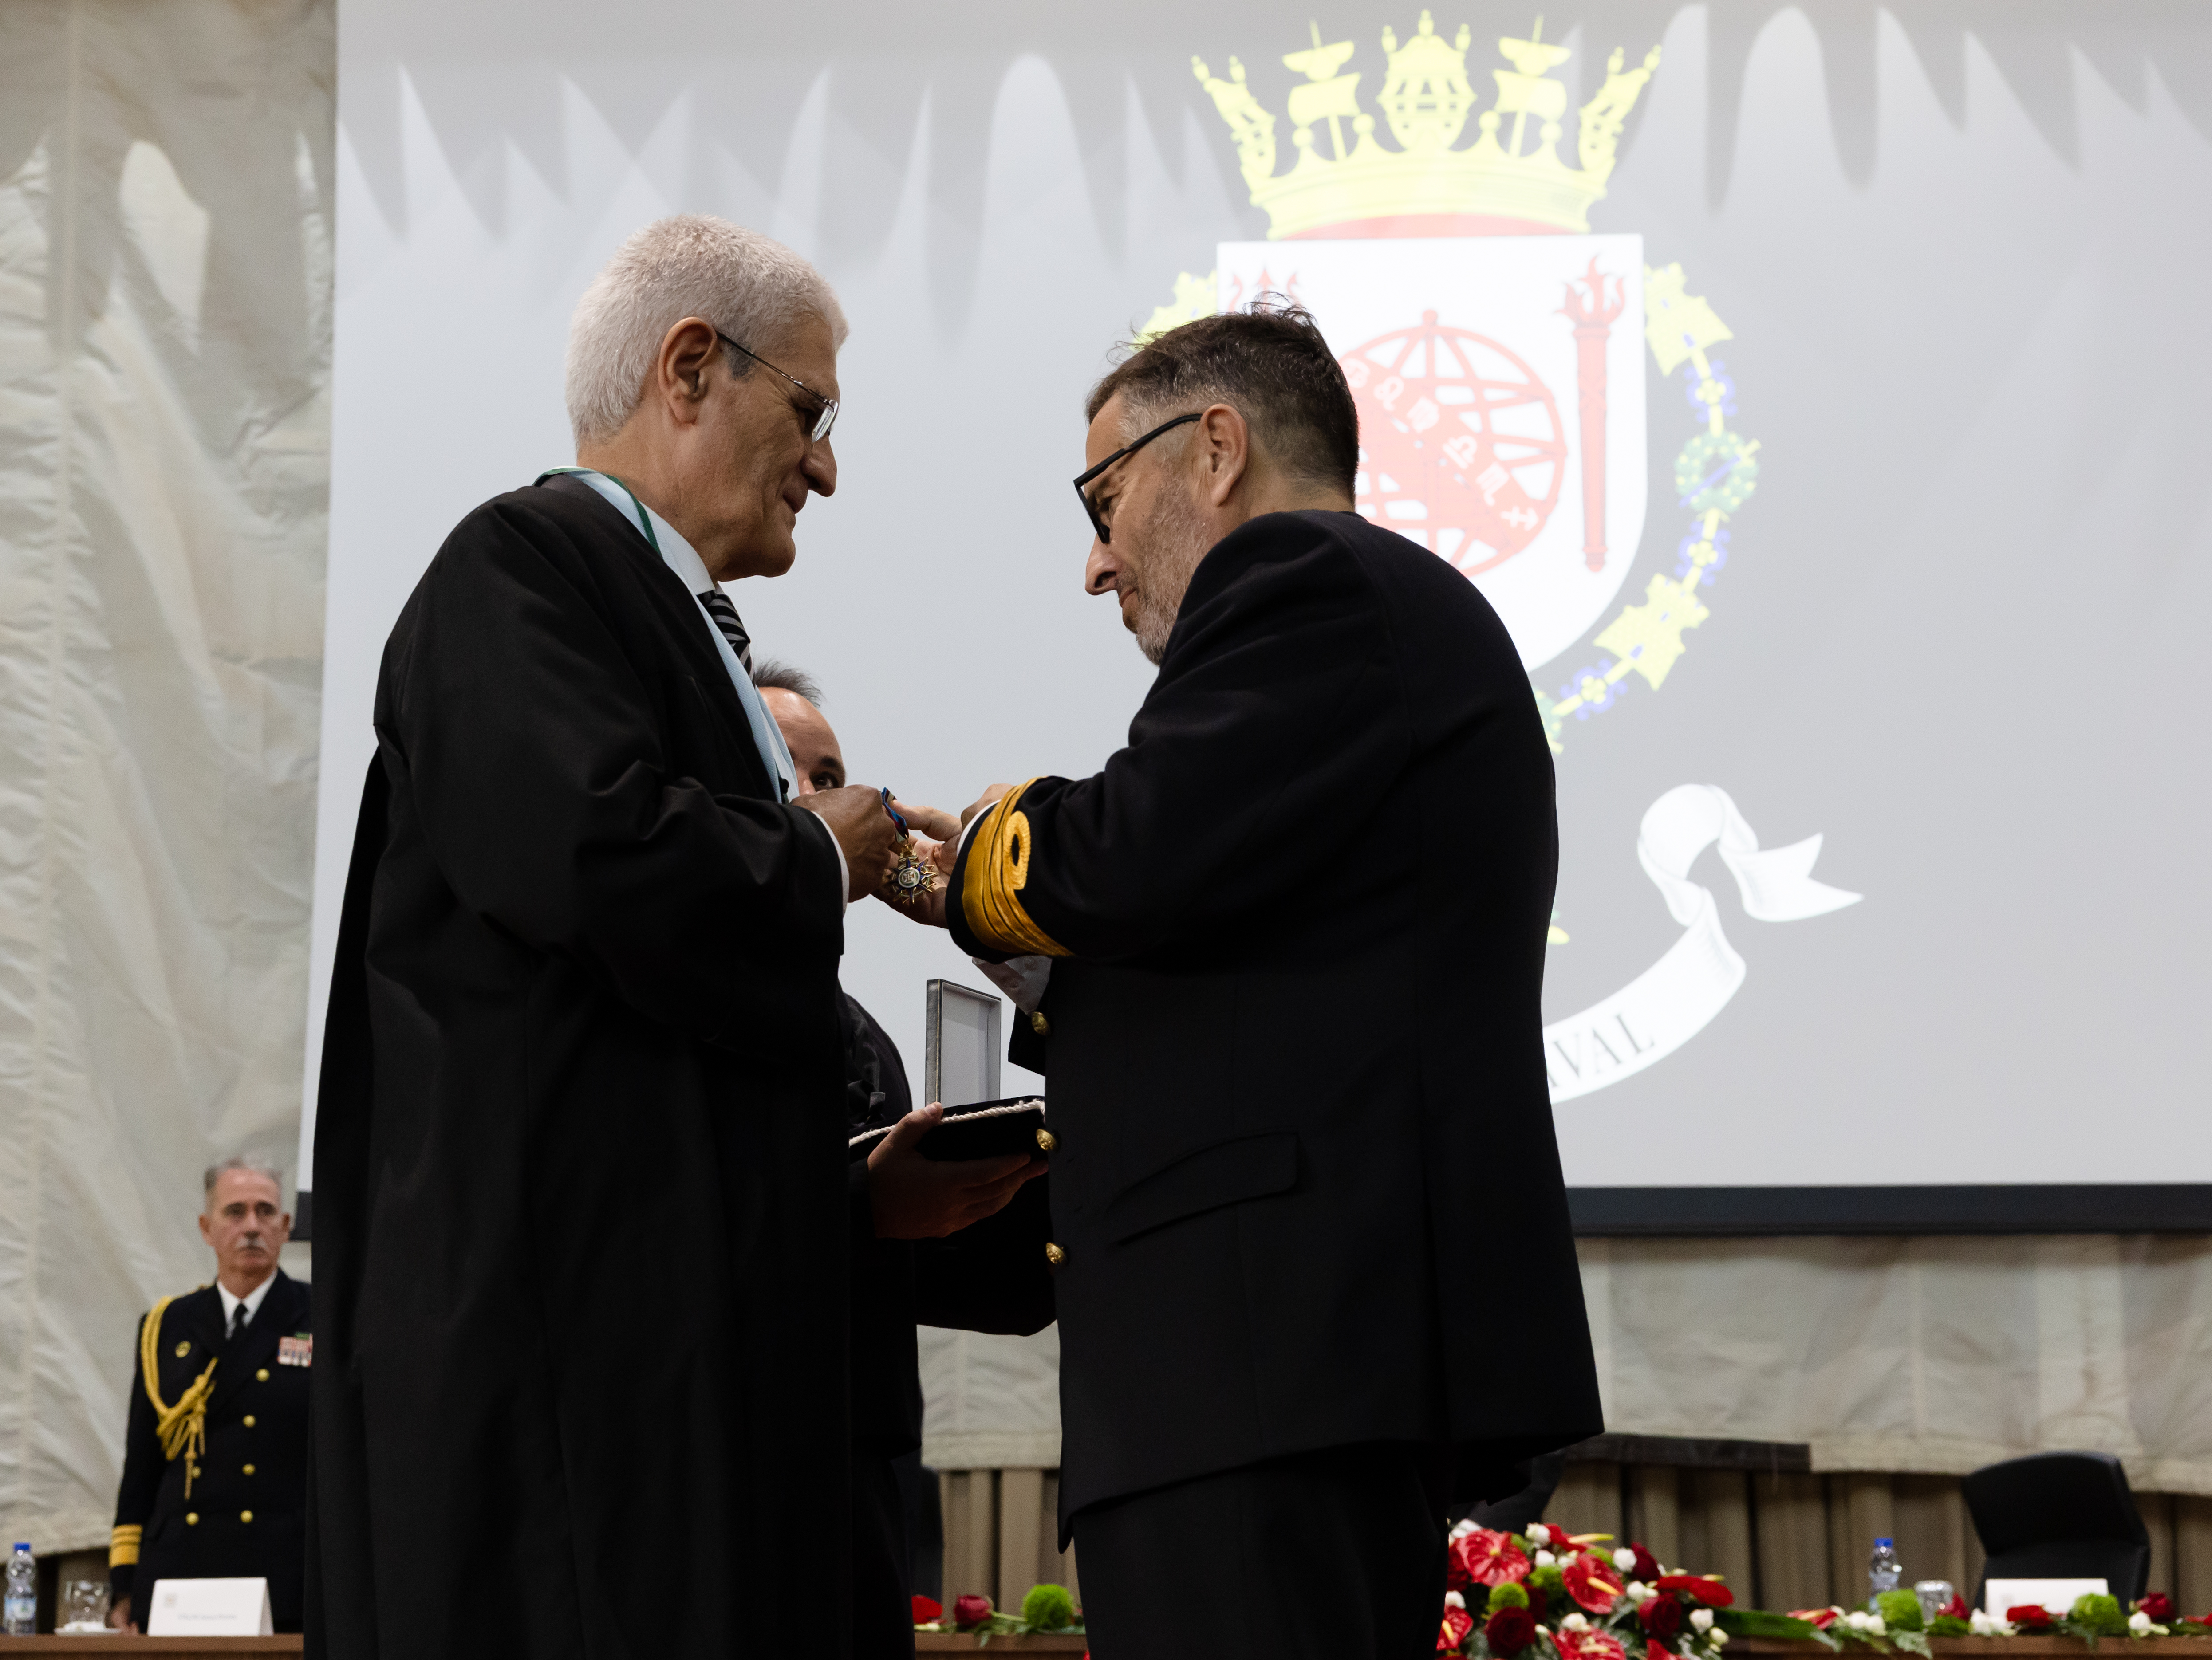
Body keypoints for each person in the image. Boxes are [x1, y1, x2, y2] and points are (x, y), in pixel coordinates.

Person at [308, 216, 970, 1660]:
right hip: (567, 1399)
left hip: (676, 1374)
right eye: (810, 410)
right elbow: (592, 858)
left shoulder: (663, 616)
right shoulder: (519, 566)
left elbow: (646, 1048)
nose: (827, 469)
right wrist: (815, 851)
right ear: (688, 369)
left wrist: (848, 1192)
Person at [903, 304, 1603, 1658]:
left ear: (1215, 448)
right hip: (1279, 1366)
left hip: (1264, 1356)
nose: (1096, 563)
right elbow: (1248, 946)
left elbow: (1140, 843)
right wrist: (1039, 952)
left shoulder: (1303, 574)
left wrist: (979, 854)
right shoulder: (1368, 619)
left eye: (1105, 500)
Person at [755, 662, 1054, 1659]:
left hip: (865, 1473)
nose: (822, 798)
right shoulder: (661, 1007)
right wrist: (861, 1206)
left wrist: (1005, 1183)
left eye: (832, 776)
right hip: (734, 1474)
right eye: (786, 770)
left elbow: (965, 1273)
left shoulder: (854, 1031)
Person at [109, 1159, 310, 1633]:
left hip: (285, 1575)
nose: (252, 1227)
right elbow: (143, 1465)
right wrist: (125, 1583)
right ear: (207, 1228)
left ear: (286, 1227)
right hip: (180, 1573)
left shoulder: (320, 1315)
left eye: (265, 1212)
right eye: (235, 1212)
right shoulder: (166, 1326)